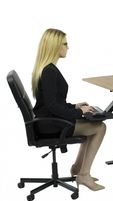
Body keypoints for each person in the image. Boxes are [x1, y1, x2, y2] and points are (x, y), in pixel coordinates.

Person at [32, 28, 106, 191]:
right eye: (65, 44)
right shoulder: (49, 71)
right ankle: (84, 175)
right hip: (51, 124)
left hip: (48, 120)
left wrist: (75, 106)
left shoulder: (46, 68)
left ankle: (77, 169)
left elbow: (52, 102)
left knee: (91, 126)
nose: (68, 47)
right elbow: (52, 106)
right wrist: (79, 113)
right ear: (55, 46)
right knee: (100, 127)